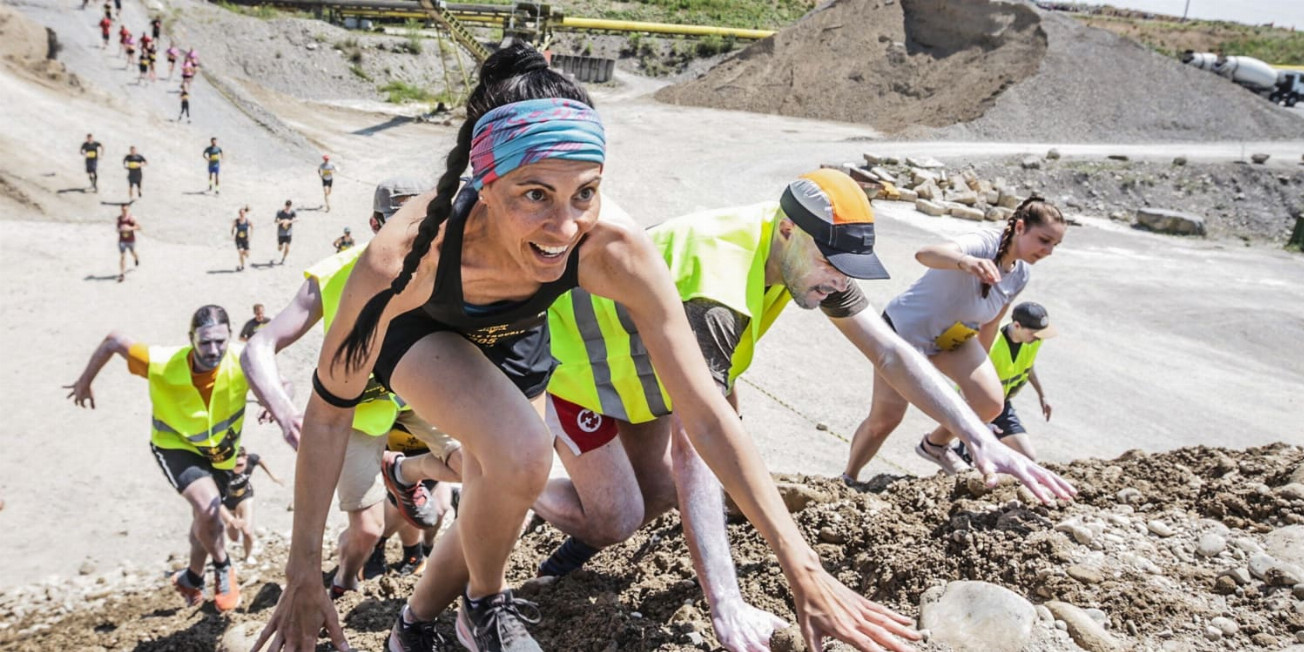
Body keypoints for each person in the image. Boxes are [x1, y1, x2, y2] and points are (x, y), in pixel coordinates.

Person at [252, 43, 919, 652]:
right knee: (521, 456)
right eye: (534, 195)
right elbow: (330, 412)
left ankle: (412, 625)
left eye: (586, 193)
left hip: (519, 331)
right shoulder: (403, 256)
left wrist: (806, 572)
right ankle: (485, 603)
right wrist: (302, 567)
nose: (565, 225)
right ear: (484, 187)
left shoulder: (614, 249)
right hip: (424, 328)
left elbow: (708, 413)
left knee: (498, 488)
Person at [532, 171, 1078, 650]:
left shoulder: (806, 251)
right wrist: (726, 603)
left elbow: (888, 350)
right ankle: (493, 469)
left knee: (654, 496)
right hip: (582, 370)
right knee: (617, 519)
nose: (840, 281)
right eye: (834, 267)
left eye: (849, 269)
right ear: (790, 231)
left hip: (649, 375)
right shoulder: (718, 289)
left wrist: (975, 433)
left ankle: (560, 553)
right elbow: (699, 444)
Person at [242, 177, 465, 601]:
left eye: (424, 222)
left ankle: (404, 472)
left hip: (417, 397)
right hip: (358, 409)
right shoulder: (336, 272)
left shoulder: (449, 270)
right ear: (374, 223)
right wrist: (286, 410)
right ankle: (344, 581)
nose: (411, 235)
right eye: (395, 222)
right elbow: (259, 346)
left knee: (481, 466)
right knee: (366, 532)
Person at [843, 197, 1068, 480]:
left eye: (1054, 245)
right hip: (904, 333)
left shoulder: (1021, 274)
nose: (1048, 251)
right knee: (885, 420)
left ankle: (935, 445)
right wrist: (966, 262)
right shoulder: (984, 242)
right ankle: (849, 478)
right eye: (1044, 240)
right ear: (1021, 227)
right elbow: (925, 254)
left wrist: (972, 381)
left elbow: (991, 323)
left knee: (989, 403)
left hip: (951, 339)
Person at [64, 305, 251, 612]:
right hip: (174, 445)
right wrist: (85, 380)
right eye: (205, 342)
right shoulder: (162, 363)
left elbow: (280, 381)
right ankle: (224, 567)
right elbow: (114, 340)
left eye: (220, 341)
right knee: (209, 508)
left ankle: (191, 577)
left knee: (204, 519)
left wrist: (278, 401)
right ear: (191, 338)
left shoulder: (244, 358)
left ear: (230, 335)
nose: (213, 349)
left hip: (220, 455)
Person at [951, 301, 1057, 463]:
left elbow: (1027, 365)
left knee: (1028, 457)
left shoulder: (1033, 340)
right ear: (1017, 326)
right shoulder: (991, 344)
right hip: (975, 404)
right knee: (974, 460)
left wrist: (1042, 395)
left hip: (1002, 404)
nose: (1037, 339)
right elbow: (966, 378)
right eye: (1034, 334)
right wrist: (977, 420)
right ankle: (957, 453)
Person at [219, 447, 282, 563]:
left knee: (247, 531)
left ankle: (248, 556)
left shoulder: (251, 459)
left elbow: (259, 460)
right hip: (227, 501)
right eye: (234, 465)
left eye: (240, 465)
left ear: (245, 458)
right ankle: (237, 539)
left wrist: (273, 477)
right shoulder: (224, 471)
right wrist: (231, 519)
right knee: (233, 537)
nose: (237, 469)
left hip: (245, 496)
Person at [115, 204, 140, 282]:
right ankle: (122, 274)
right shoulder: (119, 218)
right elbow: (117, 229)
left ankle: (136, 258)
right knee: (122, 256)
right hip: (122, 240)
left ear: (128, 210)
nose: (124, 211)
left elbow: (139, 227)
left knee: (132, 252)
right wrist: (120, 229)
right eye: (123, 210)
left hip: (130, 240)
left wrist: (130, 228)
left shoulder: (131, 219)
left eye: (125, 210)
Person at [274, 200, 296, 265]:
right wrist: (283, 221)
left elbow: (296, 219)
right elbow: (276, 220)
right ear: (285, 205)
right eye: (287, 205)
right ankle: (279, 246)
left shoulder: (292, 212)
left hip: (288, 233)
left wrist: (289, 221)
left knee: (287, 247)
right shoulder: (280, 212)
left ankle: (283, 259)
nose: (288, 207)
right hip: (281, 233)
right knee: (280, 248)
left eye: (289, 206)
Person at [233, 206, 252, 271]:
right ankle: (242, 266)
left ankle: (242, 260)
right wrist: (232, 236)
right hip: (238, 239)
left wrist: (250, 236)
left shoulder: (248, 221)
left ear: (245, 213)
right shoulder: (236, 221)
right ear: (239, 213)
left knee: (247, 255)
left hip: (245, 239)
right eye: (240, 213)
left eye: (243, 213)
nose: (242, 214)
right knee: (240, 252)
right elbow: (232, 229)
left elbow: (252, 227)